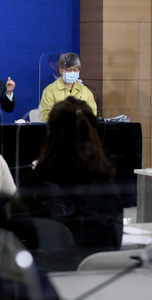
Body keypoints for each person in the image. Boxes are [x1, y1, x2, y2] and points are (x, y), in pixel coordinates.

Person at [17, 97, 123, 268]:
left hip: (50, 281)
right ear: (92, 132)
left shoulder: (34, 183)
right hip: (102, 279)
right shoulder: (105, 182)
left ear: (50, 133)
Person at [39, 53, 97, 122]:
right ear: (60, 70)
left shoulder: (85, 91)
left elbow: (93, 114)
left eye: (75, 70)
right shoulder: (50, 90)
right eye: (68, 70)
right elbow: (45, 116)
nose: (72, 73)